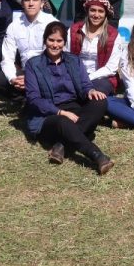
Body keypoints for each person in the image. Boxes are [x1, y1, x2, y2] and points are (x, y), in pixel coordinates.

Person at [23, 22, 114, 174]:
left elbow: (85, 84)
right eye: (51, 40)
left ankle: (61, 146)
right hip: (49, 115)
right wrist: (60, 112)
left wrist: (90, 91)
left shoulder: (74, 60)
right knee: (64, 122)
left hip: (74, 107)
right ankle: (97, 156)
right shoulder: (33, 65)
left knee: (100, 101)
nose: (55, 44)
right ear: (45, 40)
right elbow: (34, 99)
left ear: (64, 42)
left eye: (59, 41)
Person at [0, 0, 56, 103]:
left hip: (47, 74)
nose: (31, 3)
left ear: (42, 3)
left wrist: (31, 78)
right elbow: (7, 58)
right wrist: (13, 79)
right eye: (27, 0)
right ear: (22, 3)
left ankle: (38, 101)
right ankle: (27, 101)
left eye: (35, 0)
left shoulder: (52, 24)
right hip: (23, 73)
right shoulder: (14, 26)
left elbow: (55, 60)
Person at [69, 0, 125, 94]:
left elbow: (111, 68)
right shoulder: (74, 30)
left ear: (105, 14)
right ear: (87, 11)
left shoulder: (113, 35)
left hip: (100, 77)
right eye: (93, 10)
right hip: (75, 74)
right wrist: (77, 77)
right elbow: (66, 56)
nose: (96, 14)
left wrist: (87, 78)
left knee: (95, 96)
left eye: (100, 11)